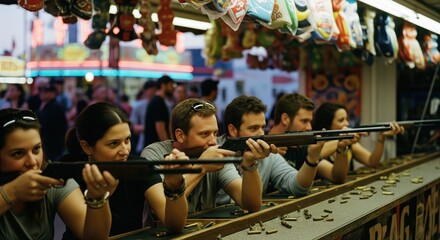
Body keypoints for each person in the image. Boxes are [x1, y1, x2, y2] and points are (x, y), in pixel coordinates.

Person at [61, 102, 188, 237]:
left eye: (127, 140)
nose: (124, 151)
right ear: (87, 147)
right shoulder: (69, 171)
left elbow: (175, 225)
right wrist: (98, 199)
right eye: (113, 143)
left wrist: (174, 186)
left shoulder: (139, 167)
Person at [0, 108, 114, 240]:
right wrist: (12, 192)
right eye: (18, 153)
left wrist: (98, 198)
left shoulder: (51, 179)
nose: (32, 162)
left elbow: (94, 237)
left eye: (36, 149)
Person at [141, 98, 265, 213]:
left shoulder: (214, 153)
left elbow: (251, 205)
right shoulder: (154, 154)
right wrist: (202, 167)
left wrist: (250, 164)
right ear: (180, 135)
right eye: (204, 134)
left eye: (215, 133)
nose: (213, 141)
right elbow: (165, 209)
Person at [221, 95, 322, 196]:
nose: (261, 133)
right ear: (233, 130)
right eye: (253, 128)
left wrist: (312, 157)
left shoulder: (266, 154)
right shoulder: (216, 153)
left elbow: (297, 187)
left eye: (263, 127)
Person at [269, 94, 357, 183]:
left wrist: (341, 149)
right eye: (304, 121)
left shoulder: (302, 148)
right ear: (285, 119)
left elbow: (336, 177)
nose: (309, 127)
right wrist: (269, 158)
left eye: (309, 121)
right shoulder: (261, 146)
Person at [313, 102, 405, 172]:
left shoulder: (349, 142)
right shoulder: (316, 145)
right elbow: (316, 153)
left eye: (347, 119)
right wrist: (344, 139)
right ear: (327, 124)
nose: (347, 123)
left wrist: (381, 138)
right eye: (341, 120)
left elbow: (372, 161)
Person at [144, 75, 175, 146]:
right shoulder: (158, 102)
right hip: (156, 149)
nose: (173, 88)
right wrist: (168, 147)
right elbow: (160, 128)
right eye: (171, 85)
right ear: (163, 85)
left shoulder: (158, 101)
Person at [130, 80, 157, 155]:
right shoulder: (138, 106)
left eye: (155, 90)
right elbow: (135, 128)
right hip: (142, 145)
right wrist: (152, 128)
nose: (153, 92)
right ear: (145, 91)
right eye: (151, 90)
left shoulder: (164, 105)